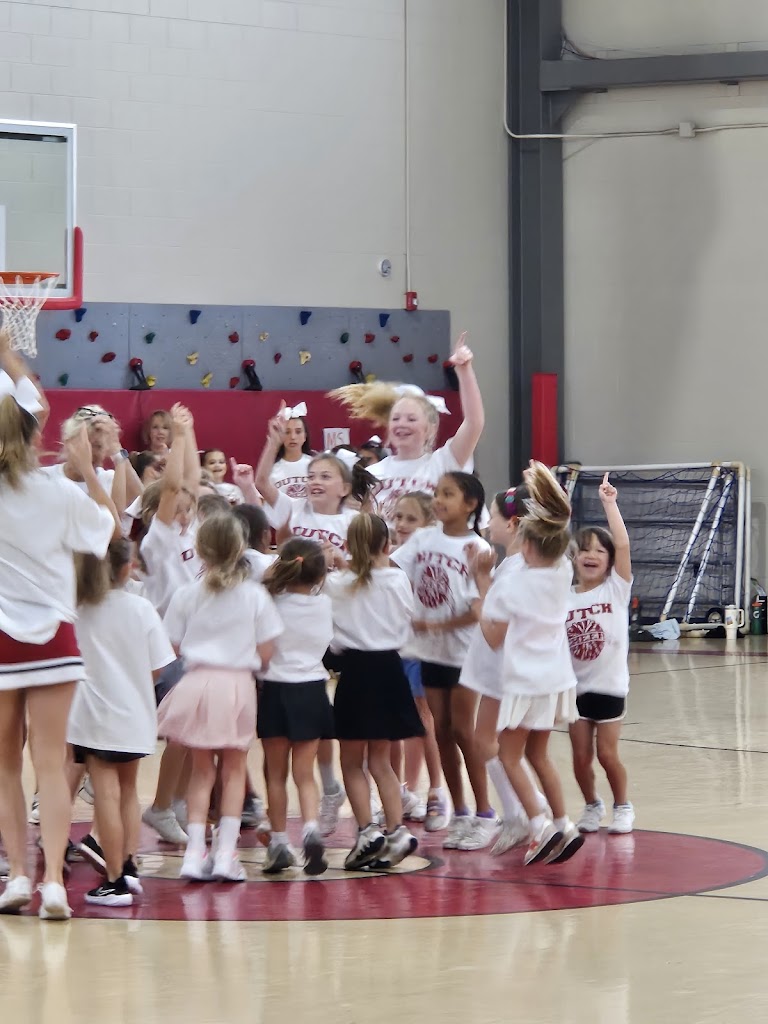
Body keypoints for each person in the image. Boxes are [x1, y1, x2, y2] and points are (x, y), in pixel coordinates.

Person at [0, 330, 119, 919]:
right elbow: (109, 530)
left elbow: (29, 407)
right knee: (52, 762)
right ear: (33, 432)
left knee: (3, 762)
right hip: (55, 637)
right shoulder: (59, 491)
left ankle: (17, 876)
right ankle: (51, 882)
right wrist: (87, 469)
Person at [158, 514, 283, 881]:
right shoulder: (255, 595)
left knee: (200, 771)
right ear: (241, 548)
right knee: (232, 771)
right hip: (236, 684)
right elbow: (266, 652)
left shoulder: (187, 594)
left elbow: (174, 644)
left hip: (196, 682)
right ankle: (225, 855)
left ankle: (194, 854)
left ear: (199, 550)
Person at [478, 462, 584, 867]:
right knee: (540, 756)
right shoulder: (561, 569)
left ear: (524, 541)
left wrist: (480, 583)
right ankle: (564, 823)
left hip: (524, 679)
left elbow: (492, 635)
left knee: (509, 755)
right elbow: (560, 521)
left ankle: (539, 827)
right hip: (557, 678)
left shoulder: (513, 583)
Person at [392, 472, 496, 848]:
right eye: (437, 493)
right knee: (440, 731)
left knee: (462, 732)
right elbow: (390, 568)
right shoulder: (422, 539)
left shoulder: (478, 550)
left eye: (448, 494)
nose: (438, 500)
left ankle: (485, 813)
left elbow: (475, 612)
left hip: (464, 653)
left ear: (469, 504)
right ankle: (461, 811)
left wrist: (431, 624)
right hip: (430, 653)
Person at [68, 540, 175, 906]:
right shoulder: (142, 608)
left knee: (107, 797)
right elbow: (160, 665)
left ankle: (113, 881)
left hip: (95, 716)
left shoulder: (79, 609)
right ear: (127, 567)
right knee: (129, 791)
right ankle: (128, 868)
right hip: (136, 714)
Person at [325, 513, 423, 870]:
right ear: (387, 545)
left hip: (356, 672)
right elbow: (407, 621)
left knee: (351, 762)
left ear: (348, 546)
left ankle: (367, 831)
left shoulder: (335, 583)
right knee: (381, 760)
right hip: (390, 671)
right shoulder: (398, 579)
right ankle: (397, 831)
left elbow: (331, 640)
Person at [464, 486, 549, 856]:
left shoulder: (514, 570)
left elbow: (495, 628)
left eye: (493, 516)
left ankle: (532, 816)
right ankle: (523, 814)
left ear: (512, 524)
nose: (488, 524)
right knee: (487, 742)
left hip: (506, 669)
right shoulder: (515, 563)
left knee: (499, 747)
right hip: (504, 669)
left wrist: (480, 584)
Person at [328, 332, 484, 523]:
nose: (402, 424)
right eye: (396, 419)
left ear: (430, 428)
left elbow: (474, 423)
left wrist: (464, 370)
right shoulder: (373, 474)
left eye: (411, 419)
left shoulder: (443, 462)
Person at [259, 539, 335, 875]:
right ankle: (311, 830)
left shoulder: (269, 601)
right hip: (313, 689)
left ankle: (278, 840)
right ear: (319, 575)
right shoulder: (325, 604)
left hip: (275, 689)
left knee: (274, 773)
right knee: (305, 773)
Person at [568, 474, 634, 834]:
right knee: (580, 757)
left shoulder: (616, 590)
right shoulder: (564, 595)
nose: (591, 555)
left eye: (599, 550)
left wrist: (610, 504)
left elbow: (622, 546)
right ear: (574, 558)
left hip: (609, 686)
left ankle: (622, 806)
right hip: (575, 688)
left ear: (609, 561)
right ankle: (592, 805)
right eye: (584, 550)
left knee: (607, 754)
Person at [390, 492, 443, 826]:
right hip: (393, 649)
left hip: (422, 648)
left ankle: (436, 790)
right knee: (396, 725)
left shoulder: (429, 558)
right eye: (397, 517)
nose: (401, 525)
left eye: (410, 519)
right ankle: (402, 792)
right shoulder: (391, 556)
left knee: (424, 720)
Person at [269, 402, 313, 497]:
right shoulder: (271, 469)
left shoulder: (315, 464)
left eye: (298, 432)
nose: (293, 437)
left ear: (305, 436)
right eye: (287, 432)